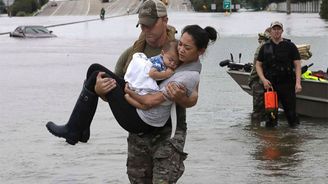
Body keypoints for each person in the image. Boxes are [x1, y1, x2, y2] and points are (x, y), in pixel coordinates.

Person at [46, 0, 217, 183]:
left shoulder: (179, 50)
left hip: (168, 131)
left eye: (150, 25)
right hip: (139, 133)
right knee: (96, 72)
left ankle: (76, 129)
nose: (145, 29)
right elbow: (116, 93)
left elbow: (193, 97)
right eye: (142, 25)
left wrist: (181, 97)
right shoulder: (133, 53)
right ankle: (80, 128)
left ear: (165, 20)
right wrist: (99, 90)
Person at [256, 21, 302, 128]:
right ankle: (272, 141)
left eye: (278, 29)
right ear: (270, 31)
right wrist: (263, 80)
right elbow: (258, 65)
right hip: (270, 86)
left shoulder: (290, 46)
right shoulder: (265, 47)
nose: (276, 31)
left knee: (291, 115)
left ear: (282, 31)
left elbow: (298, 65)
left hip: (287, 84)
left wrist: (298, 83)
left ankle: (293, 139)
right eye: (274, 29)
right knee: (271, 117)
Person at [248, 27, 271, 123]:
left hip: (266, 80)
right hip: (257, 80)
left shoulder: (271, 45)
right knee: (258, 110)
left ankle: (264, 132)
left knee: (268, 109)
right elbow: (258, 65)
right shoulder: (263, 46)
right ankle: (256, 130)